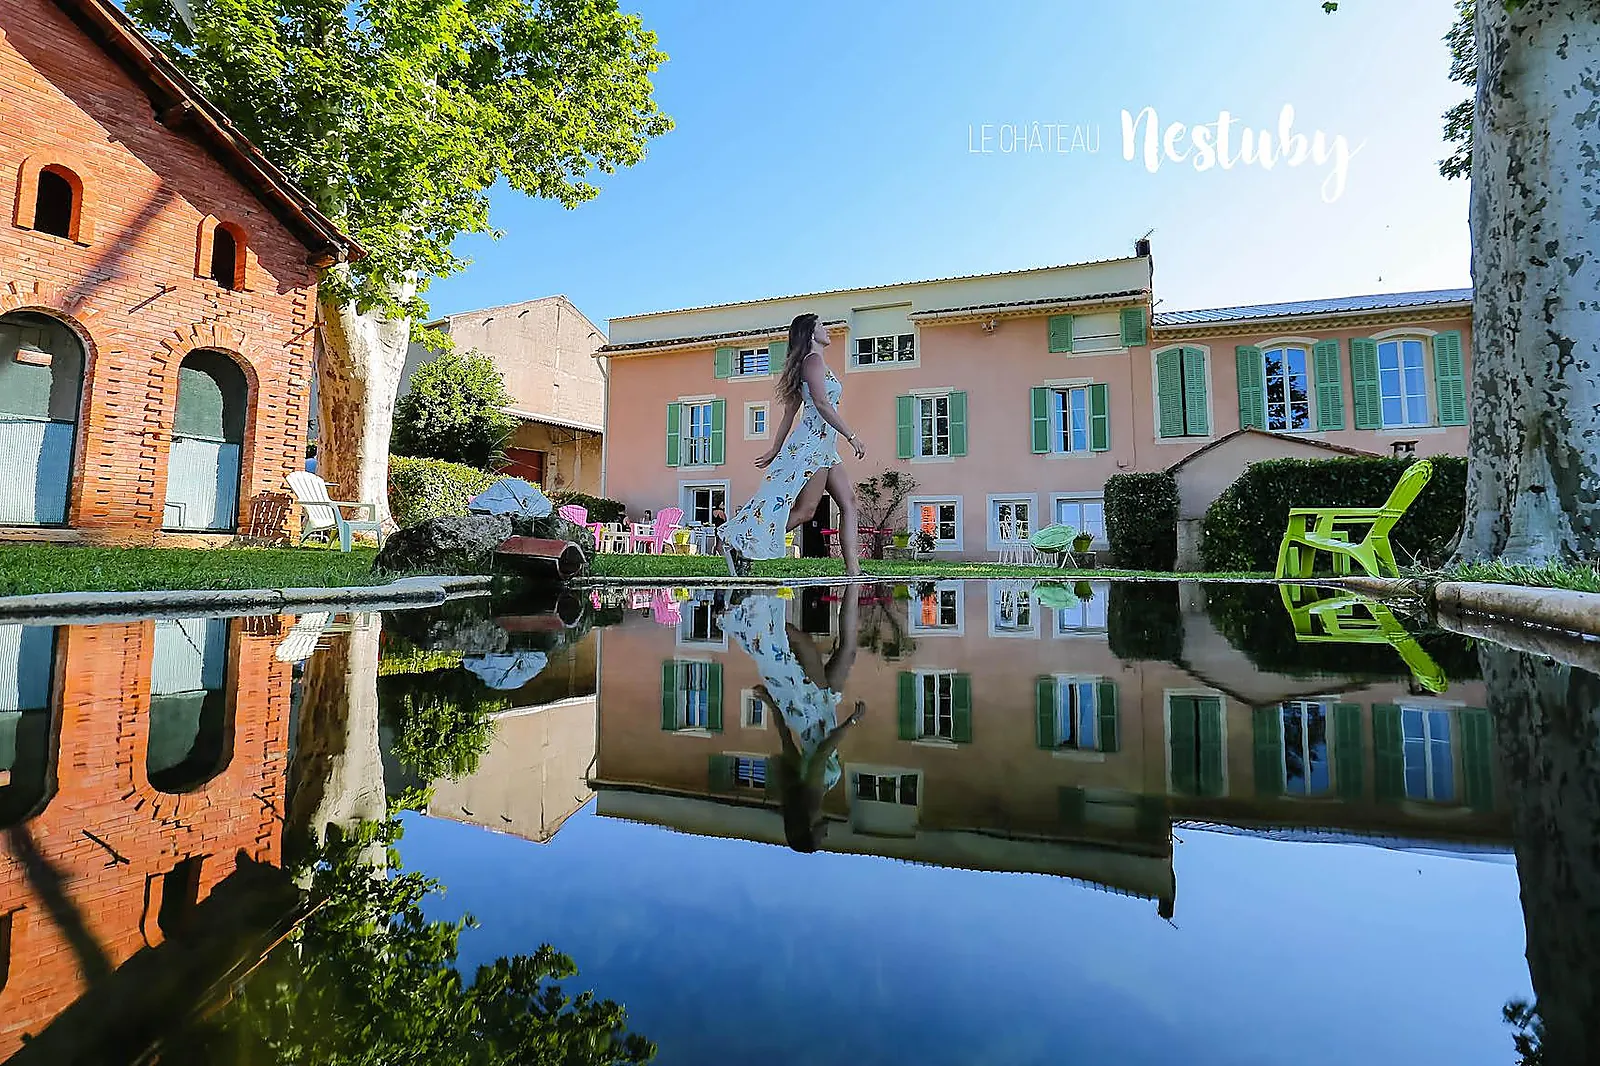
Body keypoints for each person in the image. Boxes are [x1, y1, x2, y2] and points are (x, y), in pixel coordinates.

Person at [720, 312, 866, 578]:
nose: (828, 330)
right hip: (812, 448)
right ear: (811, 334)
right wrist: (851, 435)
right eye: (822, 326)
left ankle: (853, 570)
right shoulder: (812, 362)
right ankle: (740, 547)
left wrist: (776, 449)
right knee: (805, 511)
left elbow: (790, 412)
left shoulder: (815, 364)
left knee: (849, 502)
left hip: (825, 448)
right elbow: (820, 404)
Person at [722, 587, 863, 852]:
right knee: (843, 650)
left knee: (800, 644)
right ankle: (755, 612)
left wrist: (852, 722)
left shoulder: (809, 795)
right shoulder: (808, 795)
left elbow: (821, 752)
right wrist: (772, 706)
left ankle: (753, 610)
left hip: (811, 709)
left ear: (809, 828)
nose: (826, 837)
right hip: (821, 712)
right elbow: (787, 742)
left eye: (820, 839)